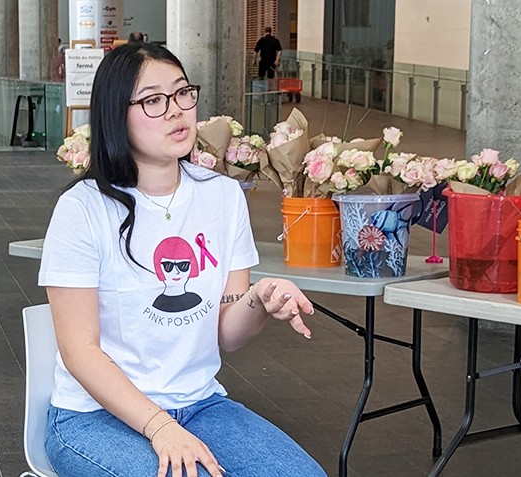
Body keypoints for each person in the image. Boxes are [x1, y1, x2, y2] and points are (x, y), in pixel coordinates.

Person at [38, 42, 326, 477]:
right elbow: (80, 353)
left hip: (201, 405)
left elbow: (226, 332)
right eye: (154, 100)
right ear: (117, 114)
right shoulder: (83, 209)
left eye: (182, 93)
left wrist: (261, 299)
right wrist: (159, 428)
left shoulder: (223, 196)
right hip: (92, 417)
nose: (176, 111)